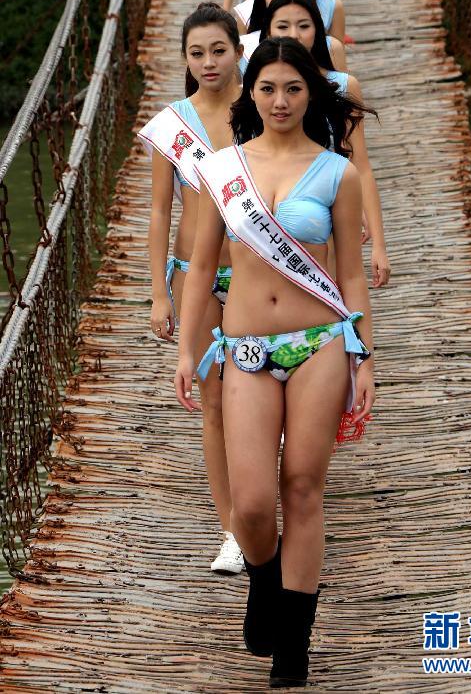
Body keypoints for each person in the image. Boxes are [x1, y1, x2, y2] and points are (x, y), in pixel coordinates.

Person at [175, 37, 376, 687]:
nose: (280, 100)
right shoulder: (222, 171)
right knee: (255, 503)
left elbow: (351, 277)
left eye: (293, 88)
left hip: (319, 343)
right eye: (268, 88)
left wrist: (364, 359)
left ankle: (295, 647)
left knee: (303, 488)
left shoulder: (337, 173)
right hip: (246, 349)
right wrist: (186, 349)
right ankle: (264, 579)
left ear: (311, 93)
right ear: (250, 93)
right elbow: (201, 268)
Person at [137, 4, 245, 575]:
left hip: (256, 271)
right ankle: (231, 530)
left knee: (259, 397)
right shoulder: (171, 125)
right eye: (197, 53)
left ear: (238, 51)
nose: (208, 62)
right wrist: (159, 292)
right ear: (184, 58)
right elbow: (159, 211)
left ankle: (262, 506)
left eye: (218, 50)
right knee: (215, 402)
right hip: (191, 274)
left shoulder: (263, 108)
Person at [261, 0, 391, 286]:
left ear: (318, 30)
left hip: (330, 211)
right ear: (268, 32)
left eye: (304, 26)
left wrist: (379, 244)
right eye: (283, 26)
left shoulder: (343, 86)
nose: (294, 35)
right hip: (274, 218)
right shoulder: (260, 91)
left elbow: (361, 163)